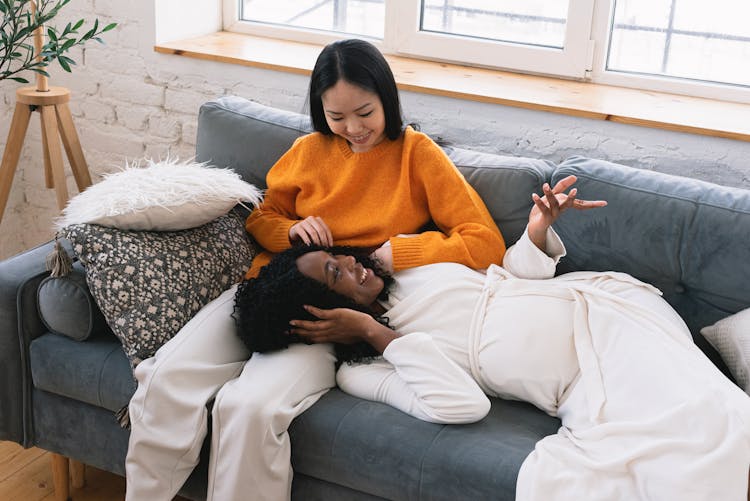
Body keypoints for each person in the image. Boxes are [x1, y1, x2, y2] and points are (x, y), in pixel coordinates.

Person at [126, 37, 540, 500]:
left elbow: (485, 242)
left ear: (387, 97)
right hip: (269, 291)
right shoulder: (308, 150)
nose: (352, 129)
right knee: (164, 378)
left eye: (364, 113)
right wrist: (295, 231)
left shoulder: (415, 154)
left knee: (250, 408)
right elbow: (261, 216)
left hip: (333, 312)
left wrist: (394, 254)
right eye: (336, 116)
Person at [235, 201, 750, 501]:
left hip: (608, 316)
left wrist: (535, 233)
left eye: (339, 259)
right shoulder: (368, 367)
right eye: (335, 274)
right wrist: (375, 333)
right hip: (580, 383)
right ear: (322, 310)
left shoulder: (409, 267)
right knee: (646, 470)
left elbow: (504, 279)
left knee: (716, 421)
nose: (353, 265)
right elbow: (463, 405)